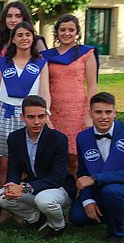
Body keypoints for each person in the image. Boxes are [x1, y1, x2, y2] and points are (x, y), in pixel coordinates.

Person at [69, 92, 124, 243]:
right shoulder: (83, 137)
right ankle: (113, 212)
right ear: (90, 113)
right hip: (104, 187)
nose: (104, 116)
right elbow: (83, 173)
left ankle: (116, 235)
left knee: (111, 191)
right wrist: (88, 201)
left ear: (115, 113)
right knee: (77, 217)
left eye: (108, 112)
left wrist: (95, 178)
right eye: (98, 112)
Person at [0, 22, 52, 186]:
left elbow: (45, 92)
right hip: (4, 113)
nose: (24, 38)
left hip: (29, 115)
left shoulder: (41, 63)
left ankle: (21, 205)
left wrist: (46, 114)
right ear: (13, 39)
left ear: (33, 37)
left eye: (28, 35)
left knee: (26, 163)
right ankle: (4, 204)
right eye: (19, 35)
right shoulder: (4, 62)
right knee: (4, 164)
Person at [0, 95, 75, 238]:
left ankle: (58, 227)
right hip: (34, 185)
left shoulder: (58, 139)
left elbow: (57, 177)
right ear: (22, 117)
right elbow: (14, 168)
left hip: (60, 187)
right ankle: (36, 219)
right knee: (2, 196)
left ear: (46, 115)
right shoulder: (15, 138)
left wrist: (24, 188)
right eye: (31, 117)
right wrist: (11, 185)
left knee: (43, 199)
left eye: (41, 116)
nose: (37, 121)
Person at [42, 14, 99, 174]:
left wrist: (89, 114)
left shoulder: (86, 53)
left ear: (77, 32)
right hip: (54, 110)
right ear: (57, 33)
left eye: (71, 30)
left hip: (77, 111)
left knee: (75, 156)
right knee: (56, 155)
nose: (67, 33)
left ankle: (79, 193)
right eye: (63, 30)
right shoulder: (47, 56)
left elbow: (93, 86)